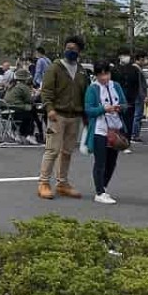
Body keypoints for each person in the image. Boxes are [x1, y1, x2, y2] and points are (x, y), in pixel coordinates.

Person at [37, 36, 90, 198]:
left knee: (67, 151)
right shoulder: (55, 68)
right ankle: (44, 183)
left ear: (79, 51)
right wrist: (49, 109)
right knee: (52, 150)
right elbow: (46, 91)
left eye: (74, 49)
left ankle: (62, 183)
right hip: (57, 115)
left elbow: (85, 94)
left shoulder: (82, 71)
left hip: (75, 116)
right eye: (68, 47)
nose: (70, 51)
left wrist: (85, 117)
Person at [85, 62, 127, 204]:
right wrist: (104, 109)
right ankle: (99, 192)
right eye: (101, 74)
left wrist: (120, 108)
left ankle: (103, 186)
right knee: (100, 161)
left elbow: (125, 104)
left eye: (107, 73)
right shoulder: (92, 89)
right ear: (96, 75)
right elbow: (89, 110)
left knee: (112, 161)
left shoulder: (116, 86)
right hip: (99, 129)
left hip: (115, 128)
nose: (104, 77)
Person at [113, 48, 142, 146]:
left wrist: (134, 96)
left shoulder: (134, 69)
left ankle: (126, 142)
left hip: (130, 98)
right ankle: (116, 140)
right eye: (124, 55)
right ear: (119, 57)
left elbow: (136, 84)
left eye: (127, 55)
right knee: (117, 120)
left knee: (128, 121)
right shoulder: (114, 69)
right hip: (116, 99)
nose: (126, 57)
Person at [3, 66, 37, 145]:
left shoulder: (12, 85)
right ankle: (29, 134)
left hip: (7, 111)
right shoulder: (23, 87)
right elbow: (30, 100)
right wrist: (36, 94)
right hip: (17, 110)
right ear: (25, 78)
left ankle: (16, 132)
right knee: (31, 110)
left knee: (28, 109)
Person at [131, 50, 148, 141]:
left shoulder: (135, 68)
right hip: (139, 96)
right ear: (141, 59)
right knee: (137, 115)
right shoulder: (137, 69)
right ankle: (135, 135)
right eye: (146, 58)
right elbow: (139, 85)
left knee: (136, 115)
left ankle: (133, 134)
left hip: (137, 95)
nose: (147, 61)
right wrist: (144, 96)